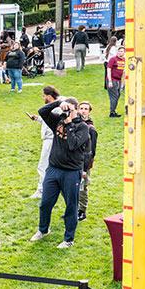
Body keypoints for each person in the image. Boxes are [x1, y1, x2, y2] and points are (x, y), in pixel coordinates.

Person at [30, 98, 91, 248]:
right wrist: (58, 103)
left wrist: (69, 122)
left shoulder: (83, 128)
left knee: (71, 205)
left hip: (71, 172)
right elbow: (42, 111)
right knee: (45, 203)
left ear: (76, 109)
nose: (66, 112)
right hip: (53, 169)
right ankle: (43, 230)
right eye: (66, 109)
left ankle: (68, 239)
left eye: (70, 109)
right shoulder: (58, 120)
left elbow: (72, 145)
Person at [30, 85, 60, 199]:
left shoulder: (56, 108)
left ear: (48, 96)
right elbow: (47, 120)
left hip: (50, 139)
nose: (43, 98)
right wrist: (37, 118)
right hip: (51, 139)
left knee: (43, 165)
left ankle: (41, 190)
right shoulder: (55, 106)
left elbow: (51, 121)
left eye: (44, 95)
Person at [76, 101, 98, 222]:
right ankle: (74, 209)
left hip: (84, 163)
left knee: (82, 188)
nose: (83, 110)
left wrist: (85, 168)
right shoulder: (76, 124)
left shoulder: (91, 129)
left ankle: (82, 211)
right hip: (73, 161)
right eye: (81, 108)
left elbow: (91, 151)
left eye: (86, 109)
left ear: (89, 111)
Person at [106, 47, 125, 117]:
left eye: (122, 51)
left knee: (118, 95)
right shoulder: (113, 59)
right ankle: (112, 113)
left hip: (119, 80)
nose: (120, 52)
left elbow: (124, 72)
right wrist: (110, 81)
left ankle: (113, 111)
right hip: (112, 80)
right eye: (119, 51)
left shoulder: (124, 60)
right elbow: (108, 70)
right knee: (114, 96)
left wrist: (123, 83)